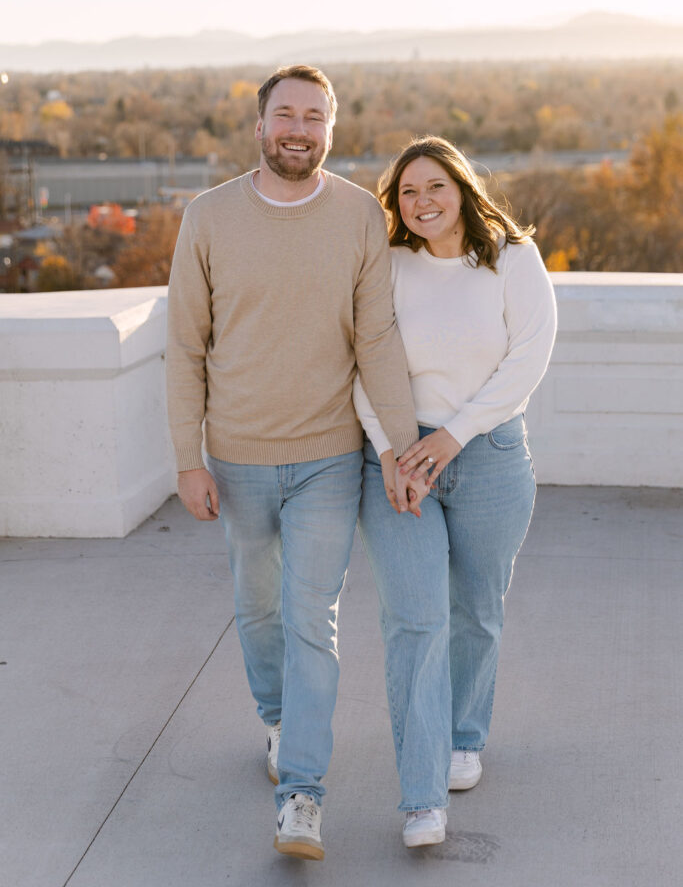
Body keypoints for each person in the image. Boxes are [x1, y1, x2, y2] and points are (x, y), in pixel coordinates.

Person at [165, 65, 418, 861]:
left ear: (330, 129)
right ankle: (276, 720)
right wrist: (187, 460)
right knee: (259, 608)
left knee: (314, 618)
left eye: (314, 116)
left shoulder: (358, 217)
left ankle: (301, 794)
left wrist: (401, 448)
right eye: (285, 114)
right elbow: (183, 349)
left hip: (327, 457)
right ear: (260, 125)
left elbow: (376, 338)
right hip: (235, 458)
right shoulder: (206, 217)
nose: (297, 129)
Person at [353, 135, 557, 848]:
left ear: (462, 187)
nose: (421, 202)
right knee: (414, 619)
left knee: (475, 608)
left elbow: (527, 359)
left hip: (490, 457)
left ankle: (463, 736)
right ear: (395, 204)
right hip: (402, 460)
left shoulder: (511, 258)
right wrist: (388, 451)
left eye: (434, 186)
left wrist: (456, 434)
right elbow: (358, 359)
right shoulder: (386, 264)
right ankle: (421, 798)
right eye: (407, 192)